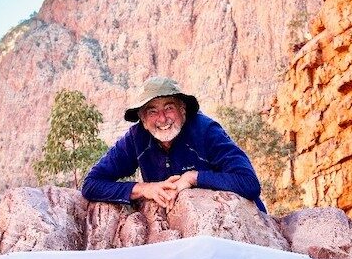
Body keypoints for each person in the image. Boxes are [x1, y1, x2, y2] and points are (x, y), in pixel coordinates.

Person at [81, 76, 266, 212]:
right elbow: (91, 184)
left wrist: (193, 178)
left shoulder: (206, 130)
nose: (162, 118)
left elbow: (249, 183)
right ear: (143, 120)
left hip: (235, 225)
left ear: (183, 110)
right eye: (152, 111)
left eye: (169, 108)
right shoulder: (136, 138)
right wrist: (146, 189)